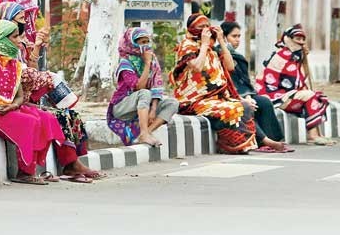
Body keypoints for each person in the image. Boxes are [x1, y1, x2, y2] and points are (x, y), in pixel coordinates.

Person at [0, 2, 99, 181]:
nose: (24, 24)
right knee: (56, 116)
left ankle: (72, 163)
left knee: (70, 114)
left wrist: (37, 46)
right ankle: (68, 164)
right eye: (20, 19)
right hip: (6, 101)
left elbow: (30, 72)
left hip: (23, 98)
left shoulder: (19, 43)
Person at [0, 19, 78, 185]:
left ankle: (31, 169)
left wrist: (14, 105)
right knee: (30, 122)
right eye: (15, 37)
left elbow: (19, 96)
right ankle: (24, 173)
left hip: (7, 108)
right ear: (2, 37)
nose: (19, 40)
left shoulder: (12, 62)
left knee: (47, 118)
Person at [171, 14, 257, 154]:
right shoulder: (187, 46)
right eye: (201, 27)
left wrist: (221, 41)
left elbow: (230, 66)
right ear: (192, 28)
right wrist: (204, 45)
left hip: (216, 97)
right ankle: (231, 145)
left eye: (207, 26)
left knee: (245, 106)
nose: (206, 30)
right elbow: (197, 66)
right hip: (194, 101)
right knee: (231, 110)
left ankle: (240, 144)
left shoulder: (212, 48)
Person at [256, 24, 334, 145]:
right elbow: (289, 82)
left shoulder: (296, 56)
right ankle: (312, 136)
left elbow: (301, 78)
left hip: (288, 94)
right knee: (310, 95)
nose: (301, 42)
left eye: (303, 39)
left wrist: (304, 59)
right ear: (288, 39)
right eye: (297, 38)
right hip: (274, 95)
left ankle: (318, 134)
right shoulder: (282, 55)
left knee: (318, 97)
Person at [219, 22, 290, 152]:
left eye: (239, 36)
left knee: (264, 102)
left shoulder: (238, 57)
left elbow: (244, 82)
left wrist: (248, 96)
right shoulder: (218, 55)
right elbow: (225, 82)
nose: (237, 40)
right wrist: (241, 98)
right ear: (224, 37)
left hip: (243, 94)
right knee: (246, 107)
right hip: (227, 95)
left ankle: (273, 140)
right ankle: (261, 142)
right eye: (234, 36)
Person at [107, 27, 179, 147]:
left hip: (143, 104)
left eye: (147, 42)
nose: (146, 45)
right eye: (142, 42)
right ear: (132, 43)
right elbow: (139, 87)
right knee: (145, 92)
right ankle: (144, 133)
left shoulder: (153, 61)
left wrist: (153, 110)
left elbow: (156, 85)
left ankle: (146, 133)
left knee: (173, 103)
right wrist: (147, 64)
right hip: (122, 107)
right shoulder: (125, 63)